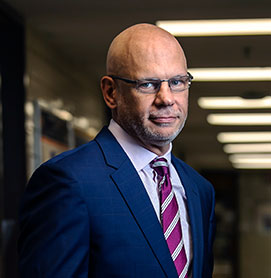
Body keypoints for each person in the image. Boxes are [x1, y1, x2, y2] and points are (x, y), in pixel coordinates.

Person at [18, 23, 215, 278]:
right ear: (111, 92)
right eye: (147, 84)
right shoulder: (68, 181)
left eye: (177, 82)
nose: (166, 98)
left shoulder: (199, 189)